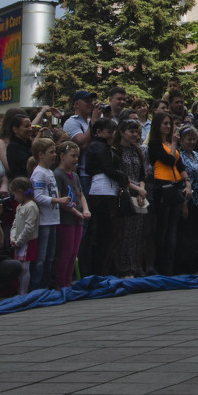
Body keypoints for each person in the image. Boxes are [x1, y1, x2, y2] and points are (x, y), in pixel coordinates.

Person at [147, 112, 189, 276]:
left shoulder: (171, 143)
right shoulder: (155, 143)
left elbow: (179, 165)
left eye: (169, 124)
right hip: (162, 188)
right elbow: (169, 160)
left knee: (173, 229)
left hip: (175, 186)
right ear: (158, 125)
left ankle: (170, 266)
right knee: (163, 228)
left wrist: (187, 182)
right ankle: (161, 265)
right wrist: (173, 144)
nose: (168, 126)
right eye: (164, 123)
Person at [85, 117, 123, 276]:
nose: (112, 135)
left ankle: (103, 268)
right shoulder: (98, 147)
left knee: (108, 232)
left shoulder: (102, 147)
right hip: (103, 190)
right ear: (99, 132)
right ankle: (100, 270)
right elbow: (108, 168)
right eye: (109, 132)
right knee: (106, 232)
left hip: (106, 189)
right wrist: (124, 177)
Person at [113, 119, 150, 278]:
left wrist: (141, 190)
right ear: (122, 132)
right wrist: (137, 189)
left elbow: (142, 173)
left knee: (137, 232)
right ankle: (123, 267)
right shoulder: (116, 151)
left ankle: (134, 266)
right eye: (131, 132)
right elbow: (120, 176)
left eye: (136, 132)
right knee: (125, 232)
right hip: (124, 193)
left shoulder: (137, 151)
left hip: (139, 194)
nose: (135, 135)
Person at [28, 137, 65, 289]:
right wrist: (57, 201)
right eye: (51, 152)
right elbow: (37, 196)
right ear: (40, 154)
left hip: (52, 218)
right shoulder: (39, 173)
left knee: (50, 256)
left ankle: (47, 283)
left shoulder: (49, 172)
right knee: (41, 257)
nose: (54, 155)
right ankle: (37, 286)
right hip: (44, 220)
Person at [53, 141, 89, 287]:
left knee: (74, 252)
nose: (76, 159)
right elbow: (61, 198)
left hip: (77, 218)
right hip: (66, 218)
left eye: (77, 156)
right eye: (73, 156)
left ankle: (68, 281)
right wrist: (75, 211)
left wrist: (85, 209)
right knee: (65, 252)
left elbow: (80, 195)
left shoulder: (75, 175)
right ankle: (61, 282)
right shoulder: (58, 174)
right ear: (62, 156)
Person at [9, 176, 38, 294]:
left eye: (14, 194)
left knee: (25, 267)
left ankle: (23, 291)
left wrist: (19, 241)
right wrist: (13, 238)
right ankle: (20, 289)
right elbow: (15, 224)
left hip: (28, 241)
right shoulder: (19, 207)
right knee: (19, 267)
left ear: (20, 192)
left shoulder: (31, 206)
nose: (14, 198)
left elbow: (29, 227)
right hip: (19, 241)